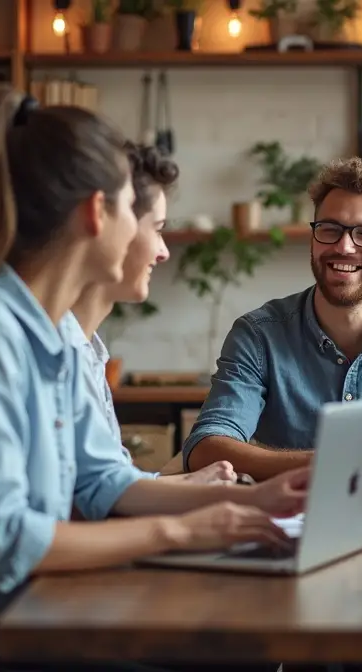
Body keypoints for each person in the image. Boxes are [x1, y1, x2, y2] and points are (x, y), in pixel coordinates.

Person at [0, 88, 308, 672]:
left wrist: (252, 497)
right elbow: (4, 544)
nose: (148, 239)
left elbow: (102, 479)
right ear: (95, 212)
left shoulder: (53, 336)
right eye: (134, 209)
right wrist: (182, 532)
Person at [183, 157, 362, 481]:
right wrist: (335, 462)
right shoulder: (259, 335)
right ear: (313, 238)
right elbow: (206, 449)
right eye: (329, 229)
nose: (344, 246)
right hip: (290, 522)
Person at [68, 141, 236, 486]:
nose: (163, 252)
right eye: (157, 228)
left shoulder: (90, 352)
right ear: (101, 218)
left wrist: (184, 483)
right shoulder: (52, 351)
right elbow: (72, 509)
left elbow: (104, 491)